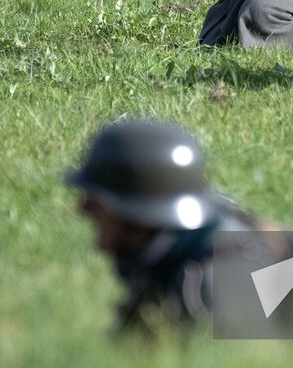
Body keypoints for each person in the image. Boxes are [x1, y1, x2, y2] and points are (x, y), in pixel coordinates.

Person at [66, 118, 260, 334]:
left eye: (96, 201)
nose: (82, 208)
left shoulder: (203, 292)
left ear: (138, 215)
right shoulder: (177, 257)